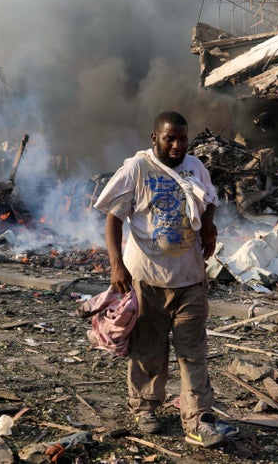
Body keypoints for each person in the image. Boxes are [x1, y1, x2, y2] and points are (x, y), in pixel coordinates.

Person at [93, 110, 235, 448]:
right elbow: (113, 218)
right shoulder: (137, 169)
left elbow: (210, 199)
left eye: (182, 138)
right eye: (170, 138)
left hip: (189, 279)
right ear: (154, 138)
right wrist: (116, 265)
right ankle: (145, 408)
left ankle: (198, 418)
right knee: (149, 350)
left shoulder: (195, 167)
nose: (177, 144)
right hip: (146, 280)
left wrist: (210, 223)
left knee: (193, 351)